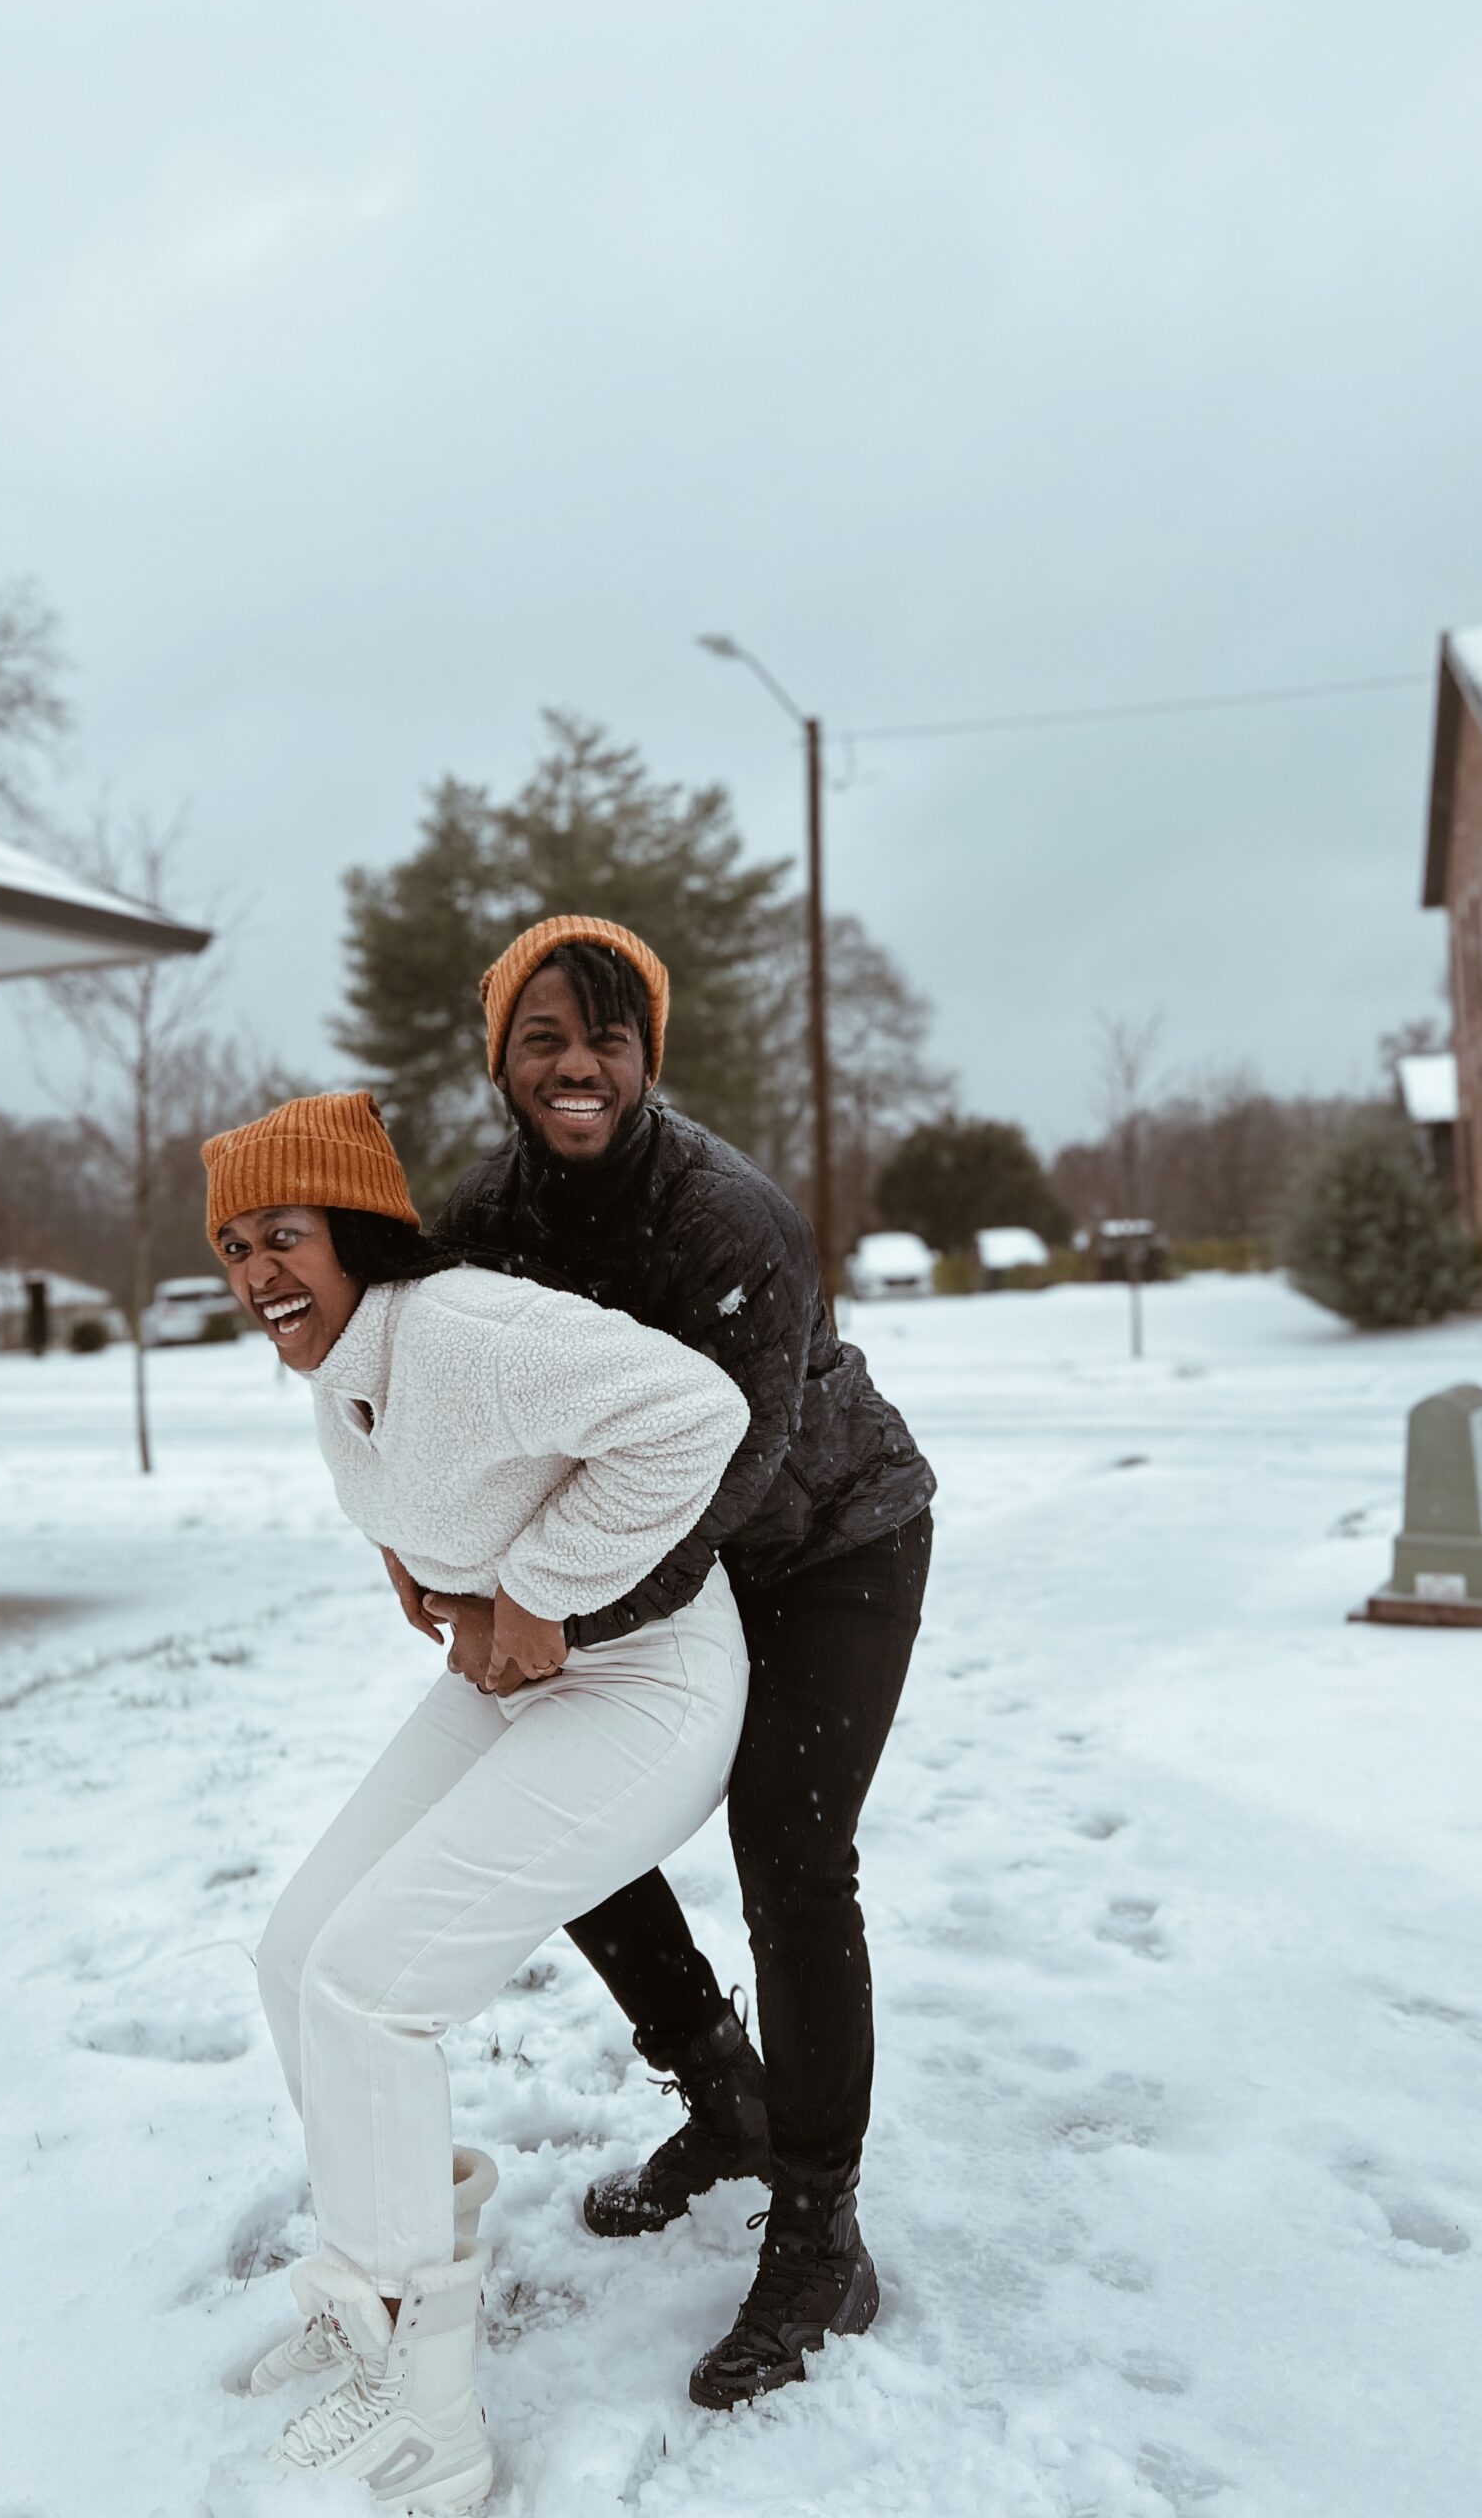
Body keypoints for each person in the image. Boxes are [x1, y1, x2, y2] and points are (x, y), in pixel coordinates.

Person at [387, 916, 935, 2409]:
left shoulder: (731, 1220)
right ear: (499, 1056)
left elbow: (737, 1472)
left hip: (828, 1546)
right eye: (545, 1037)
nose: (579, 1067)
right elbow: (426, 1398)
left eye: (608, 1038)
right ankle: (724, 2090)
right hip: (652, 1573)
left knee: (793, 1851)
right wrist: (419, 1546)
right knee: (555, 1797)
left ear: (650, 1057)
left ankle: (821, 2229)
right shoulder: (486, 1216)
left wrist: (549, 1613)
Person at [204, 1088, 751, 2509]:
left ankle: (430, 2410)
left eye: (283, 1234)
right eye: (232, 1248)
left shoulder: (464, 1331)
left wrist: (535, 1588)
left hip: (652, 1687)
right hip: (522, 1680)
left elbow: (700, 1411)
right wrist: (419, 1567)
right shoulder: (346, 1367)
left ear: (358, 1229)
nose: (258, 1274)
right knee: (297, 1958)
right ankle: (380, 2287)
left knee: (375, 1987)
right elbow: (419, 1489)